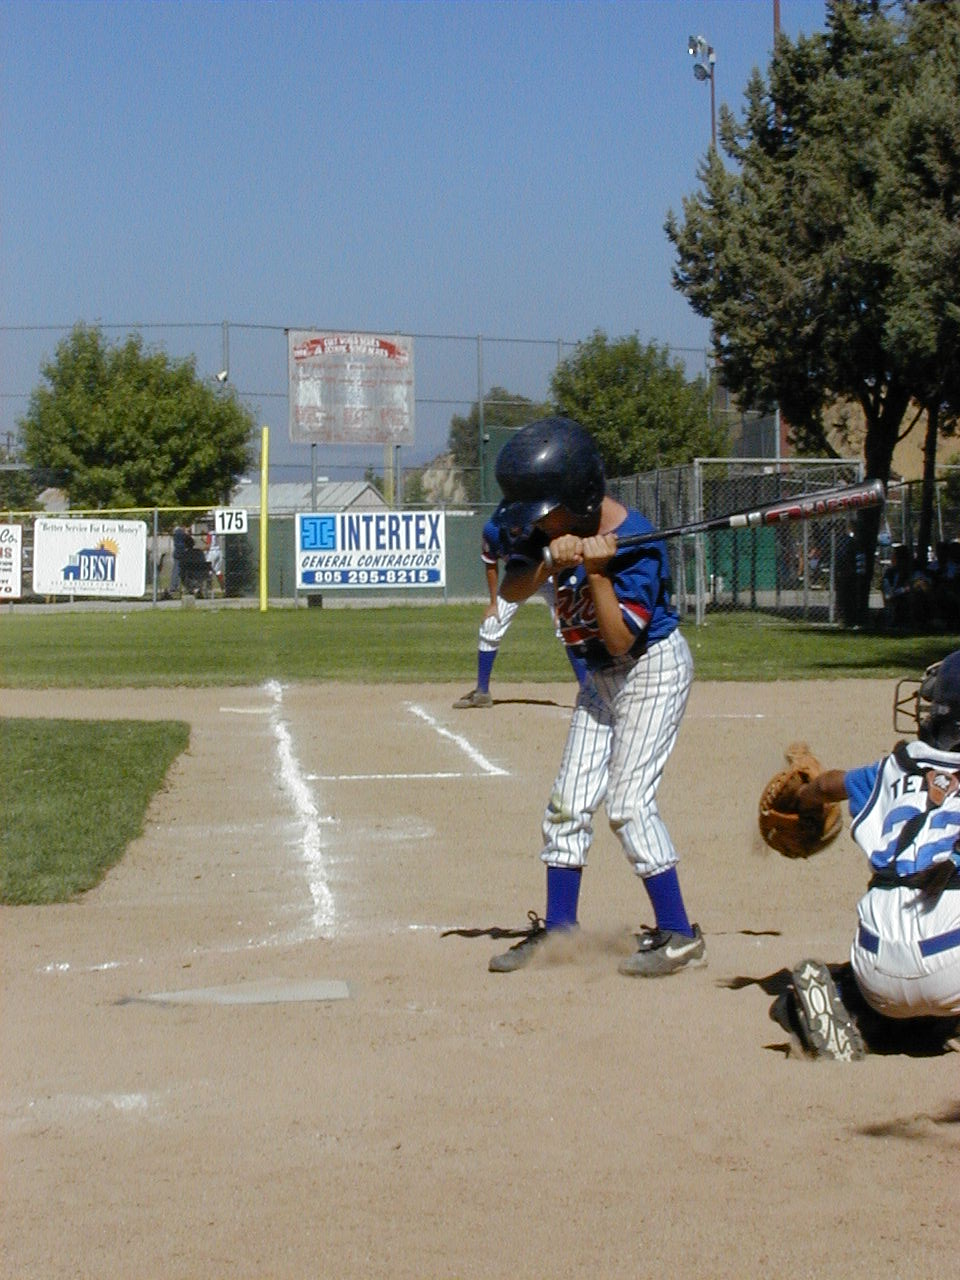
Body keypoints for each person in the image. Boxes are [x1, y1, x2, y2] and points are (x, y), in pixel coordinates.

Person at [484, 417, 704, 977]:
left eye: (545, 513)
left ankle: (680, 934)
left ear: (579, 499)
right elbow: (512, 588)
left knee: (628, 805)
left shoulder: (640, 544)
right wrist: (549, 561)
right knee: (567, 804)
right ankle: (560, 929)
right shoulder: (550, 526)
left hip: (650, 670)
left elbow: (621, 639)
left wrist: (599, 572)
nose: (537, 522)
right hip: (602, 679)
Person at [772, 651, 960, 1059]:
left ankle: (847, 1003)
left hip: (877, 970)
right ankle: (935, 1021)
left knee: (905, 986)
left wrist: (802, 797)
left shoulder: (894, 767)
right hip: (953, 968)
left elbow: (827, 787)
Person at [452, 517, 590, 709]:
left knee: (566, 626)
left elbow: (557, 567)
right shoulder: (492, 530)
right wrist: (493, 603)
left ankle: (589, 692)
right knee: (491, 624)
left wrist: (560, 605)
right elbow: (491, 564)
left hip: (548, 574)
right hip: (518, 578)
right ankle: (482, 692)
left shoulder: (541, 529)